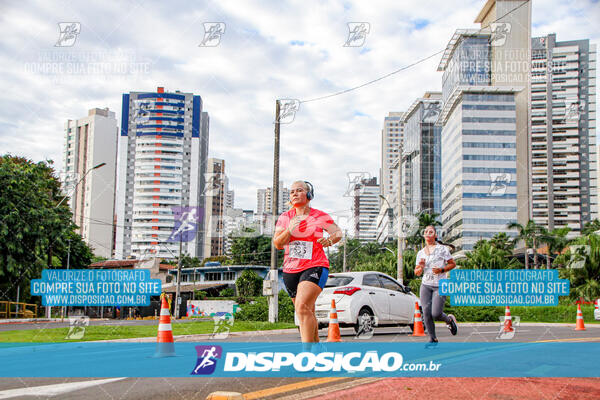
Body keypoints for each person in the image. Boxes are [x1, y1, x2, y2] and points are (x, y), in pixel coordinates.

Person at [273, 180, 342, 349]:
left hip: (315, 265)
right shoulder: (285, 218)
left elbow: (337, 233)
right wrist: (289, 229)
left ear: (309, 195)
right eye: (292, 192)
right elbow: (277, 244)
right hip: (290, 270)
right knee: (306, 311)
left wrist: (329, 240)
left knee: (302, 308)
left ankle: (307, 354)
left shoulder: (320, 216)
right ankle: (317, 347)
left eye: (299, 190)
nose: (295, 194)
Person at [415, 225, 458, 345]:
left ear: (435, 235)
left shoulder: (442, 249)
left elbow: (452, 264)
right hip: (426, 285)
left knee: (436, 313)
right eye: (426, 231)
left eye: (431, 231)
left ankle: (449, 320)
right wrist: (421, 267)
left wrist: (442, 270)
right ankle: (432, 339)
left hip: (440, 284)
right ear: (424, 236)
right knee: (426, 313)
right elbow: (417, 272)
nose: (428, 233)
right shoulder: (420, 253)